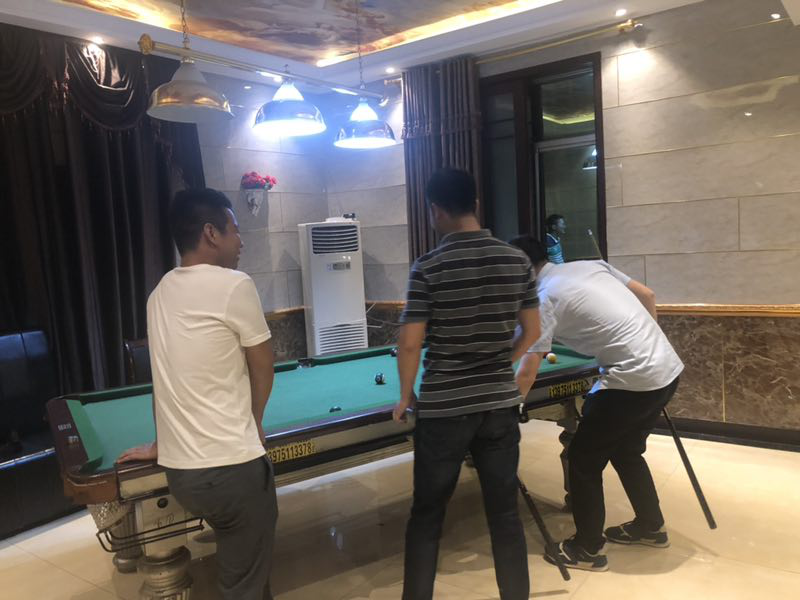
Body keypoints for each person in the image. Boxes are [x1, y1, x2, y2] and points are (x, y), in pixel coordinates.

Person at [118, 188, 277, 600]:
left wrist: (161, 442)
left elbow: (162, 379)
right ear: (211, 233)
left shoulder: (158, 295)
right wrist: (255, 422)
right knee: (243, 586)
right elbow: (263, 365)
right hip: (233, 470)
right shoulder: (234, 284)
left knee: (248, 577)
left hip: (183, 475)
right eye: (235, 230)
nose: (241, 241)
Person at [393, 168, 541, 600]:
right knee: (505, 515)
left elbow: (410, 342)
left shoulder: (428, 266)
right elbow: (532, 331)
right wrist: (501, 362)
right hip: (498, 405)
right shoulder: (516, 260)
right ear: (475, 204)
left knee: (427, 516)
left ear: (436, 210)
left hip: (444, 409)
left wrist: (405, 395)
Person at [510, 235, 683, 572]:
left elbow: (528, 370)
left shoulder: (543, 298)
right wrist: (648, 350)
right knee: (627, 451)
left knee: (583, 460)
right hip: (667, 368)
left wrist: (509, 406)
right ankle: (650, 526)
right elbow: (648, 295)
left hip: (629, 381)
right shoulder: (590, 266)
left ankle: (586, 548)